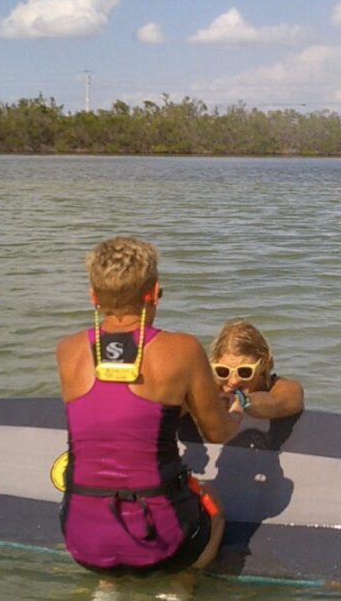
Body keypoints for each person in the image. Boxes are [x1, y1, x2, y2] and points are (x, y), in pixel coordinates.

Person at [56, 236, 244, 576]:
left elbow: (113, 411)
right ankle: (181, 585)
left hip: (82, 542)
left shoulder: (67, 351)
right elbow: (216, 432)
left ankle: (110, 587)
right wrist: (238, 409)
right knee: (213, 505)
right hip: (165, 545)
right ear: (155, 291)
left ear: (94, 298)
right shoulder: (182, 349)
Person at [209, 318, 304, 419]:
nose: (233, 381)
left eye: (244, 371)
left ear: (263, 364)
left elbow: (275, 404)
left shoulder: (287, 389)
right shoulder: (212, 387)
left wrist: (242, 400)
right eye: (223, 371)